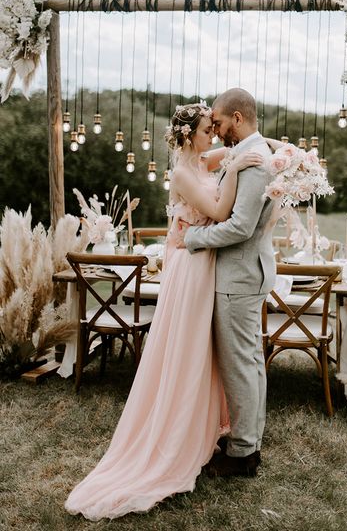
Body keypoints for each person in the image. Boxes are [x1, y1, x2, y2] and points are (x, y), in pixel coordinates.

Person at [64, 102, 263, 520]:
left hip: (205, 264)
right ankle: (178, 434)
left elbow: (242, 150)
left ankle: (206, 429)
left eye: (216, 127)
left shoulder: (204, 161)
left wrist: (256, 151)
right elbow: (220, 212)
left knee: (207, 352)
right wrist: (241, 161)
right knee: (189, 350)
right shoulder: (182, 174)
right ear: (192, 135)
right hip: (191, 269)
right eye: (209, 129)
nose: (216, 135)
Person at [181, 87, 277, 478]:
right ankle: (248, 440)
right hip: (247, 271)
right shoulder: (250, 152)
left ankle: (241, 453)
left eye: (219, 122)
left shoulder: (254, 162)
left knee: (240, 363)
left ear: (237, 118)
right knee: (250, 361)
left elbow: (239, 226)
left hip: (239, 273)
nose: (216, 130)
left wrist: (193, 239)